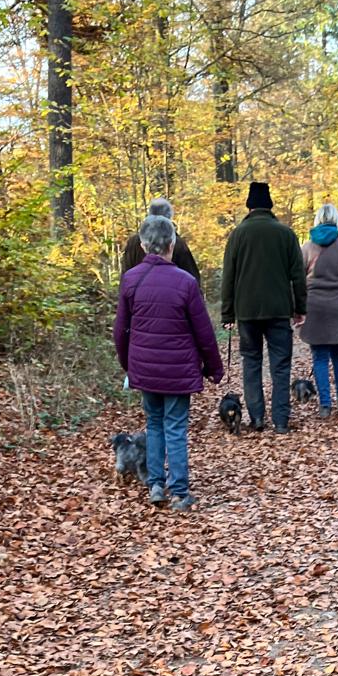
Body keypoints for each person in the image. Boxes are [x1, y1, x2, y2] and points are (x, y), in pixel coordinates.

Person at [114, 215, 223, 512]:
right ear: (172, 244)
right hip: (178, 370)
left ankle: (156, 484)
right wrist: (214, 367)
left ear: (143, 244)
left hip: (145, 369)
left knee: (154, 424)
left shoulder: (130, 279)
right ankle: (180, 491)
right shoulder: (185, 283)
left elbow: (120, 329)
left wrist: (129, 365)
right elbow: (203, 331)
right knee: (175, 427)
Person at [221, 182, 307, 433]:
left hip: (247, 311)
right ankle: (280, 421)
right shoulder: (286, 234)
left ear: (249, 206)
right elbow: (298, 275)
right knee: (281, 365)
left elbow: (229, 276)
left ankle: (257, 417)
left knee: (251, 362)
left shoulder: (237, 235)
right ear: (270, 205)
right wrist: (300, 307)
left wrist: (228, 313)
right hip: (279, 310)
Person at [300, 204, 338, 419]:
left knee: (319, 358)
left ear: (317, 220)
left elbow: (297, 282)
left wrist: (300, 307)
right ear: (337, 219)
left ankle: (325, 405)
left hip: (314, 309)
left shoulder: (307, 248)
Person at [121, 198, 201, 284]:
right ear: (169, 217)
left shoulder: (134, 241)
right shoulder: (176, 242)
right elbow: (192, 277)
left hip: (138, 294)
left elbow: (125, 274)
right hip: (171, 293)